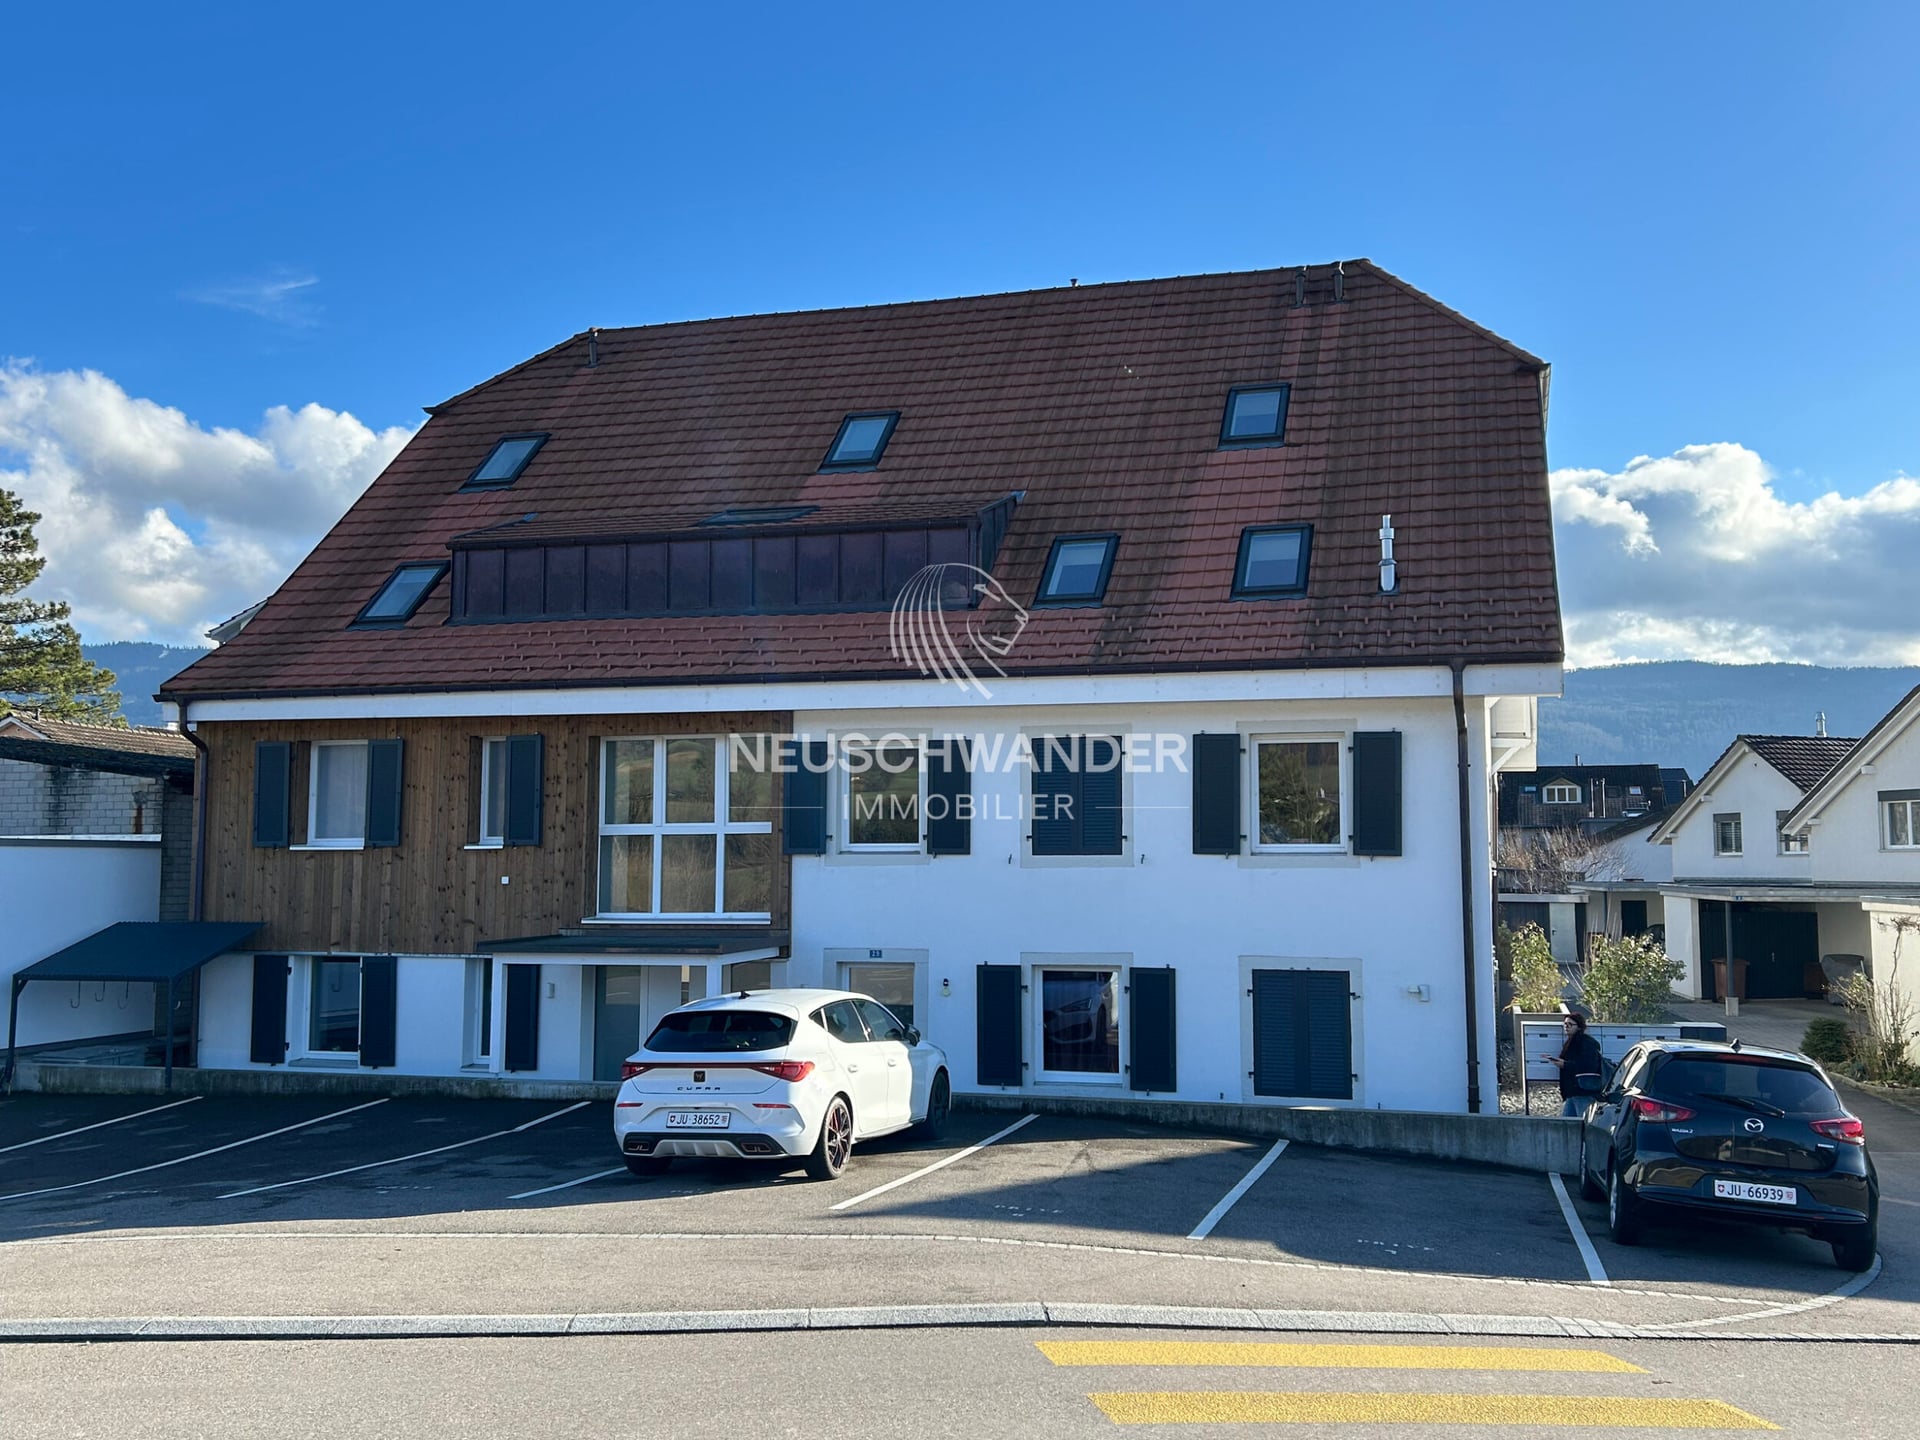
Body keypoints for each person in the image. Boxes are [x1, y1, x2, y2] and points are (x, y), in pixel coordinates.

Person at [1548, 1011, 1603, 1116]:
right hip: (1572, 1091)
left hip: (1583, 1091)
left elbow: (1589, 1065)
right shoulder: (1570, 1042)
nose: (1566, 1027)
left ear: (1579, 1027)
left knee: (1582, 1124)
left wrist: (1565, 1064)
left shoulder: (1586, 1042)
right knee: (1568, 1124)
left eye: (1570, 1024)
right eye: (1565, 1024)